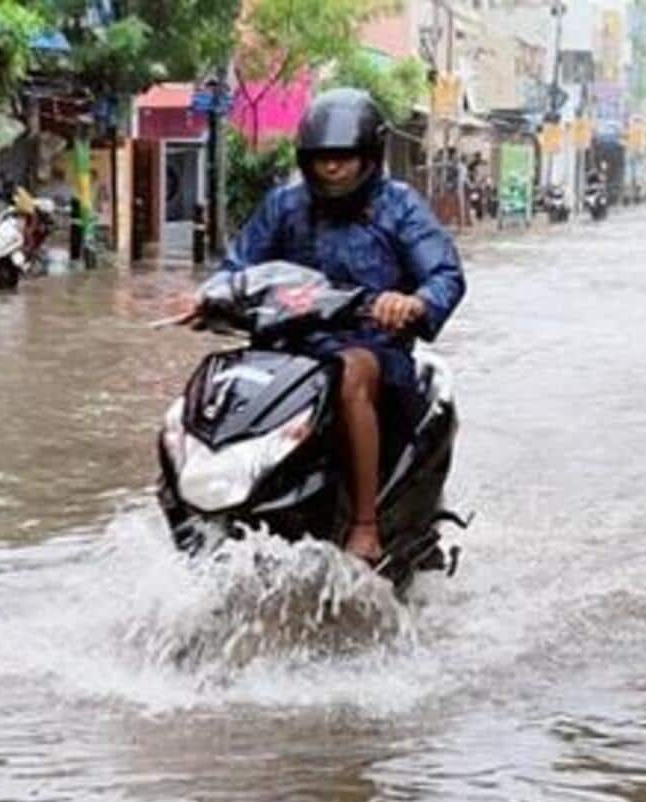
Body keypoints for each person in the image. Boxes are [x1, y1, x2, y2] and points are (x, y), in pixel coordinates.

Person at [185, 89, 466, 563]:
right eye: (321, 160)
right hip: (288, 350)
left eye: (344, 159)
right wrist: (211, 297)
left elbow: (445, 275)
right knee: (216, 379)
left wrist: (412, 303)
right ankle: (192, 506)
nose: (331, 169)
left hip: (372, 352)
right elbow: (237, 266)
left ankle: (364, 525)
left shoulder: (400, 207)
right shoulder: (284, 205)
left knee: (350, 371)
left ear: (369, 157)